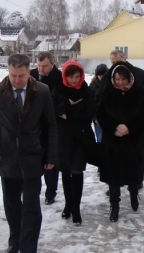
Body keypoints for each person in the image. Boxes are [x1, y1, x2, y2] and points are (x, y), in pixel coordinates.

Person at [0, 54, 57, 253]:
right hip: (8, 158)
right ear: (8, 71)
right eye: (13, 75)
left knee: (31, 206)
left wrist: (51, 157)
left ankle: (29, 248)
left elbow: (50, 126)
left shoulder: (42, 91)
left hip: (33, 157)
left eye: (21, 75)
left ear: (28, 72)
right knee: (12, 205)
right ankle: (15, 242)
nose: (17, 80)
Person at [97, 62, 144, 222]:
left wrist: (129, 128)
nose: (120, 82)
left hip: (133, 141)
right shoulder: (107, 92)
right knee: (113, 176)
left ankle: (134, 193)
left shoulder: (139, 92)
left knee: (133, 173)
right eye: (117, 79)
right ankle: (115, 205)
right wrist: (114, 127)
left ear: (130, 78)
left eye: (123, 79)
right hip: (113, 141)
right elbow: (100, 114)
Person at [51, 60, 95, 225]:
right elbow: (51, 109)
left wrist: (68, 112)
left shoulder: (86, 90)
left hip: (81, 138)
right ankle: (68, 204)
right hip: (63, 138)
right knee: (66, 171)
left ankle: (76, 207)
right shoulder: (59, 90)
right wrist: (70, 110)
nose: (75, 80)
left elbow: (89, 113)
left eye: (77, 76)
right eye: (71, 77)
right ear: (65, 76)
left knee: (77, 170)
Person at [30, 52, 62, 205]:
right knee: (34, 160)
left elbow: (61, 103)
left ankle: (51, 192)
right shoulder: (31, 76)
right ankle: (33, 191)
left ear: (52, 64)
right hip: (33, 126)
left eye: (45, 66)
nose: (41, 69)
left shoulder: (59, 78)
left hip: (51, 124)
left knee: (50, 160)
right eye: (39, 65)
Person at [89, 63, 108, 143]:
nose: (101, 77)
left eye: (103, 74)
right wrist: (94, 117)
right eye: (99, 75)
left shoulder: (110, 83)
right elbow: (90, 103)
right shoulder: (93, 85)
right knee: (100, 139)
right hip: (98, 118)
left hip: (109, 117)